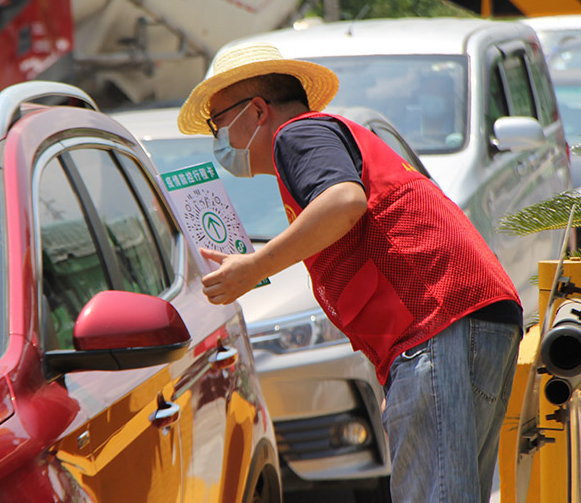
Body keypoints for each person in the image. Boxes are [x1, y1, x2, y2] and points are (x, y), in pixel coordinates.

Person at [176, 42, 523, 503]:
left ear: (256, 110)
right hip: (466, 319)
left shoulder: (295, 135)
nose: (217, 138)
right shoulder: (323, 140)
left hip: (439, 321)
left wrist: (254, 266)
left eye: (216, 122)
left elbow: (344, 201)